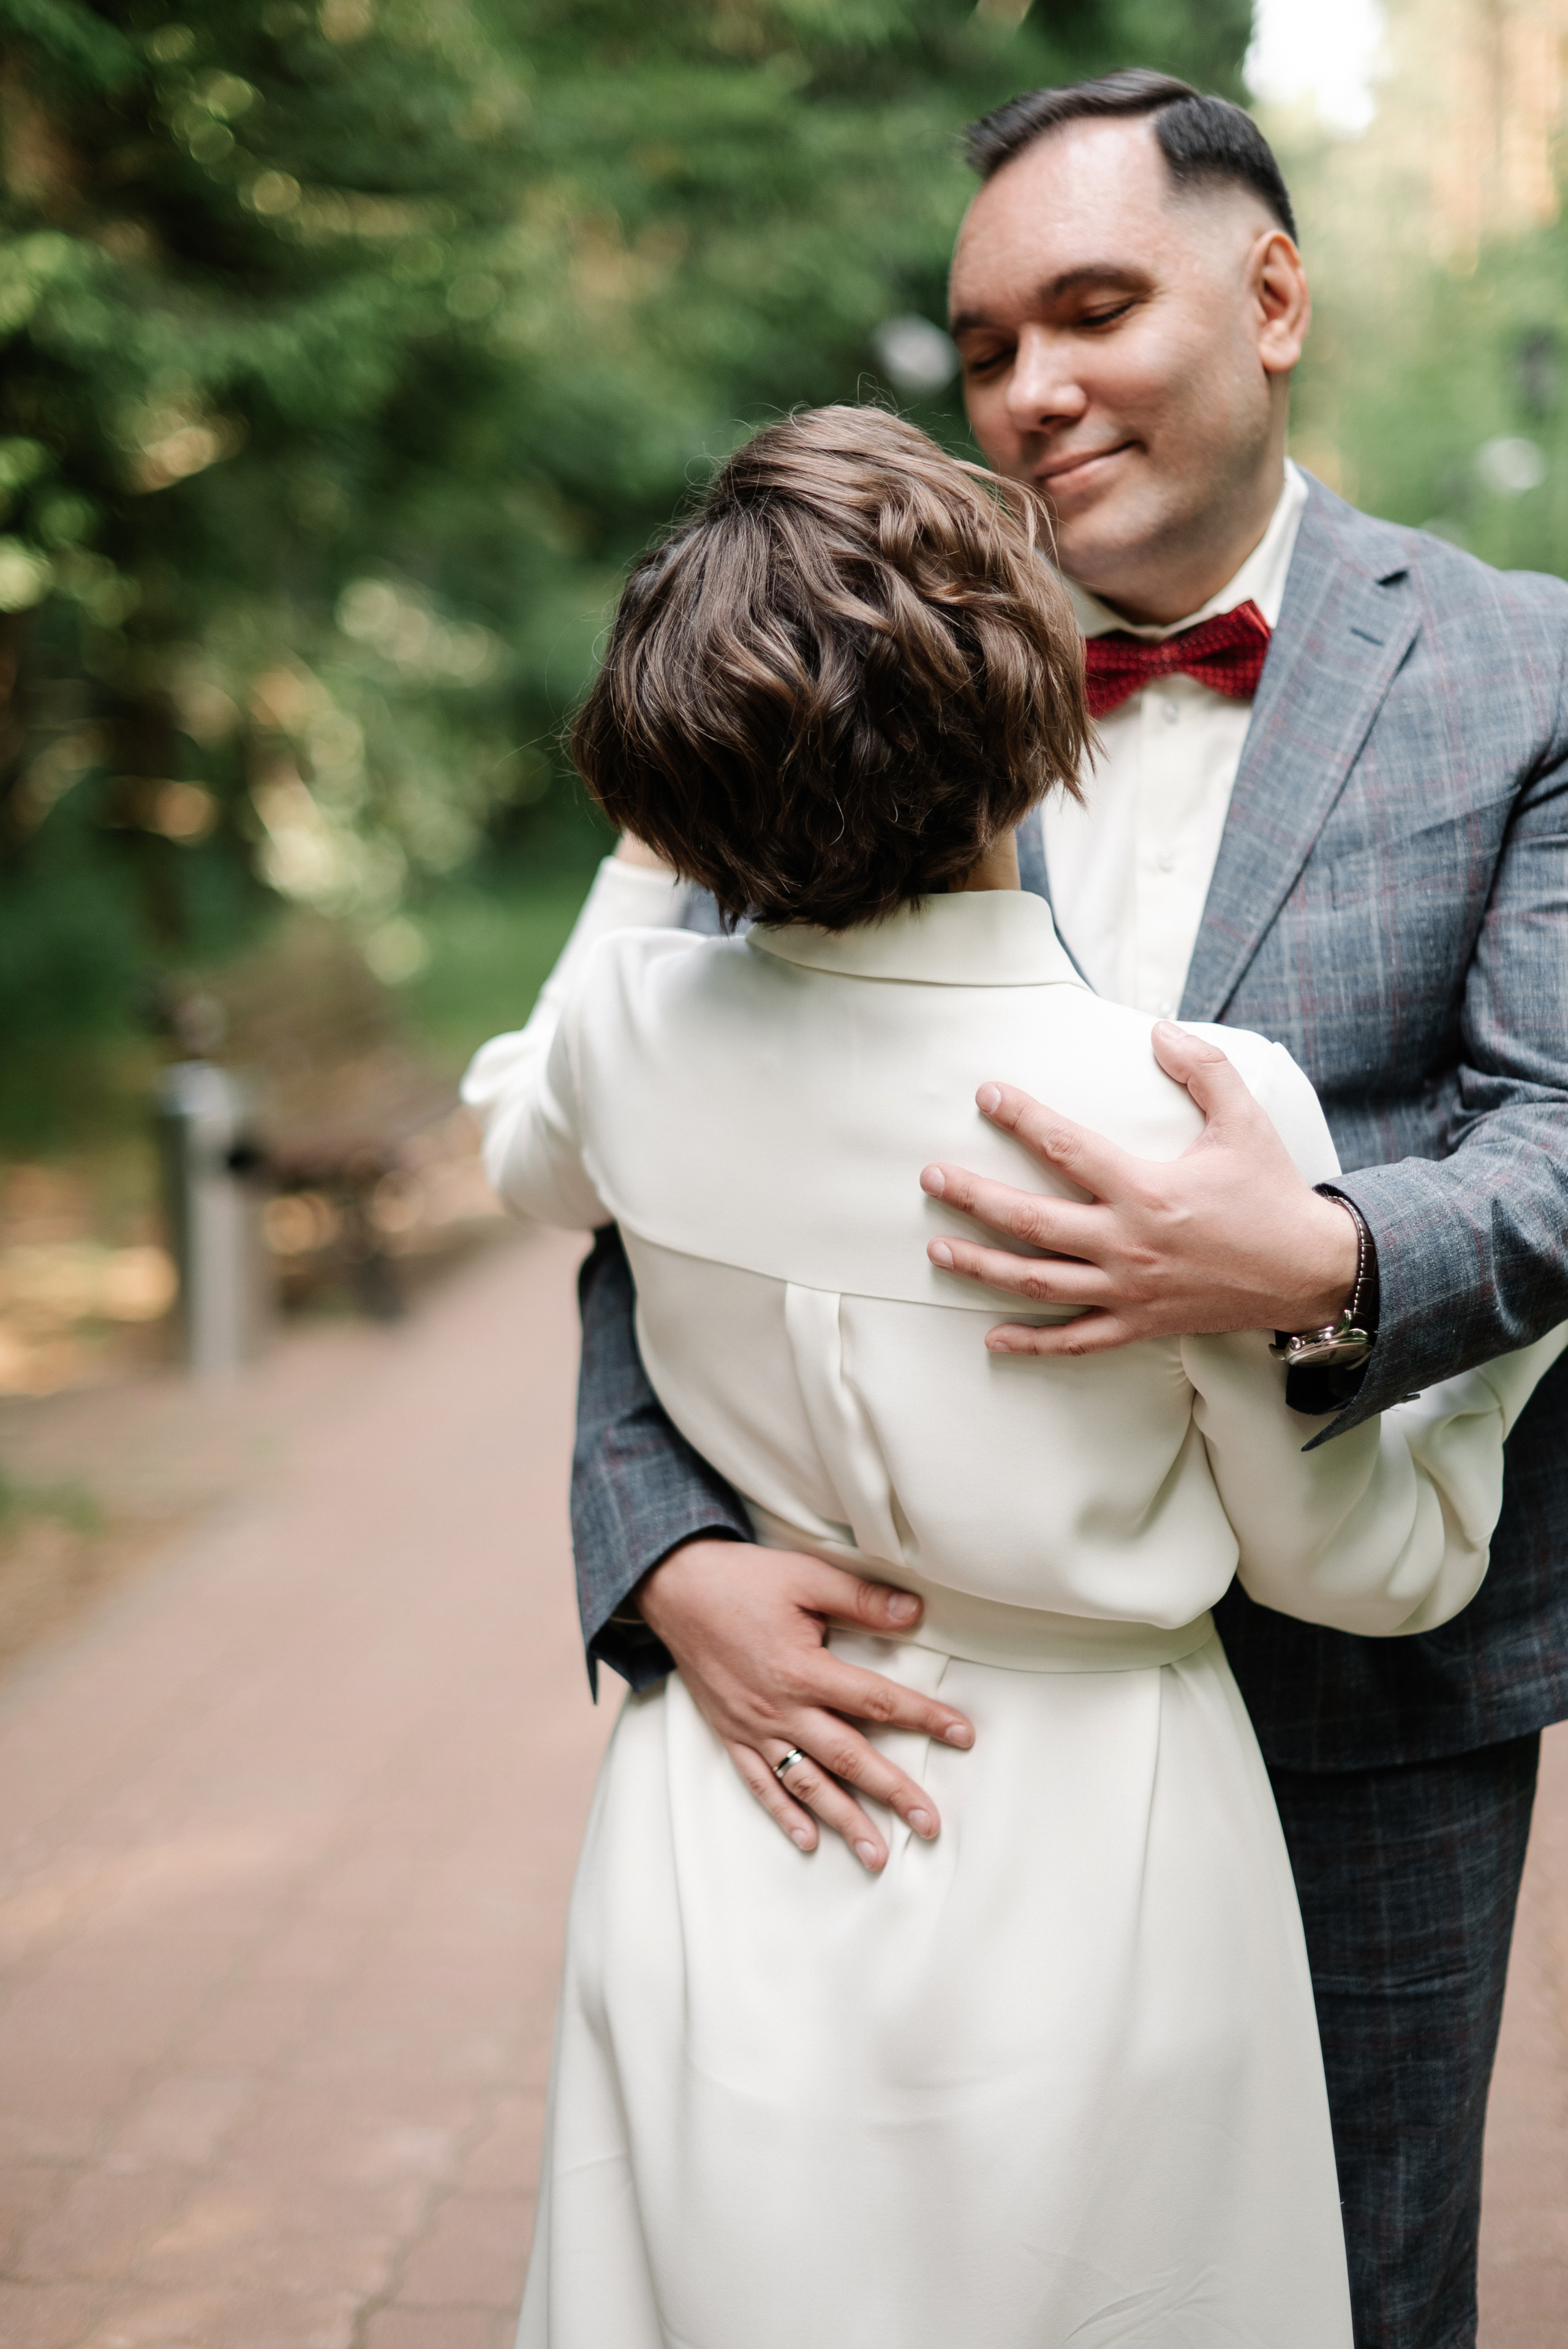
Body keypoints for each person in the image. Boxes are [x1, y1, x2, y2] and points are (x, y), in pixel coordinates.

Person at [469, 72, 1568, 2349]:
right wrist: (661, 1547)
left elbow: (1562, 1127)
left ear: (1270, 295)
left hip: (1380, 1706)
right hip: (884, 1697)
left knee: (1344, 2291)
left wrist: (1335, 1265)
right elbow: (654, 1197)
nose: (1034, 392)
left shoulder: (1526, 667)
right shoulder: (863, 650)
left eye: (1093, 310)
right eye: (985, 348)